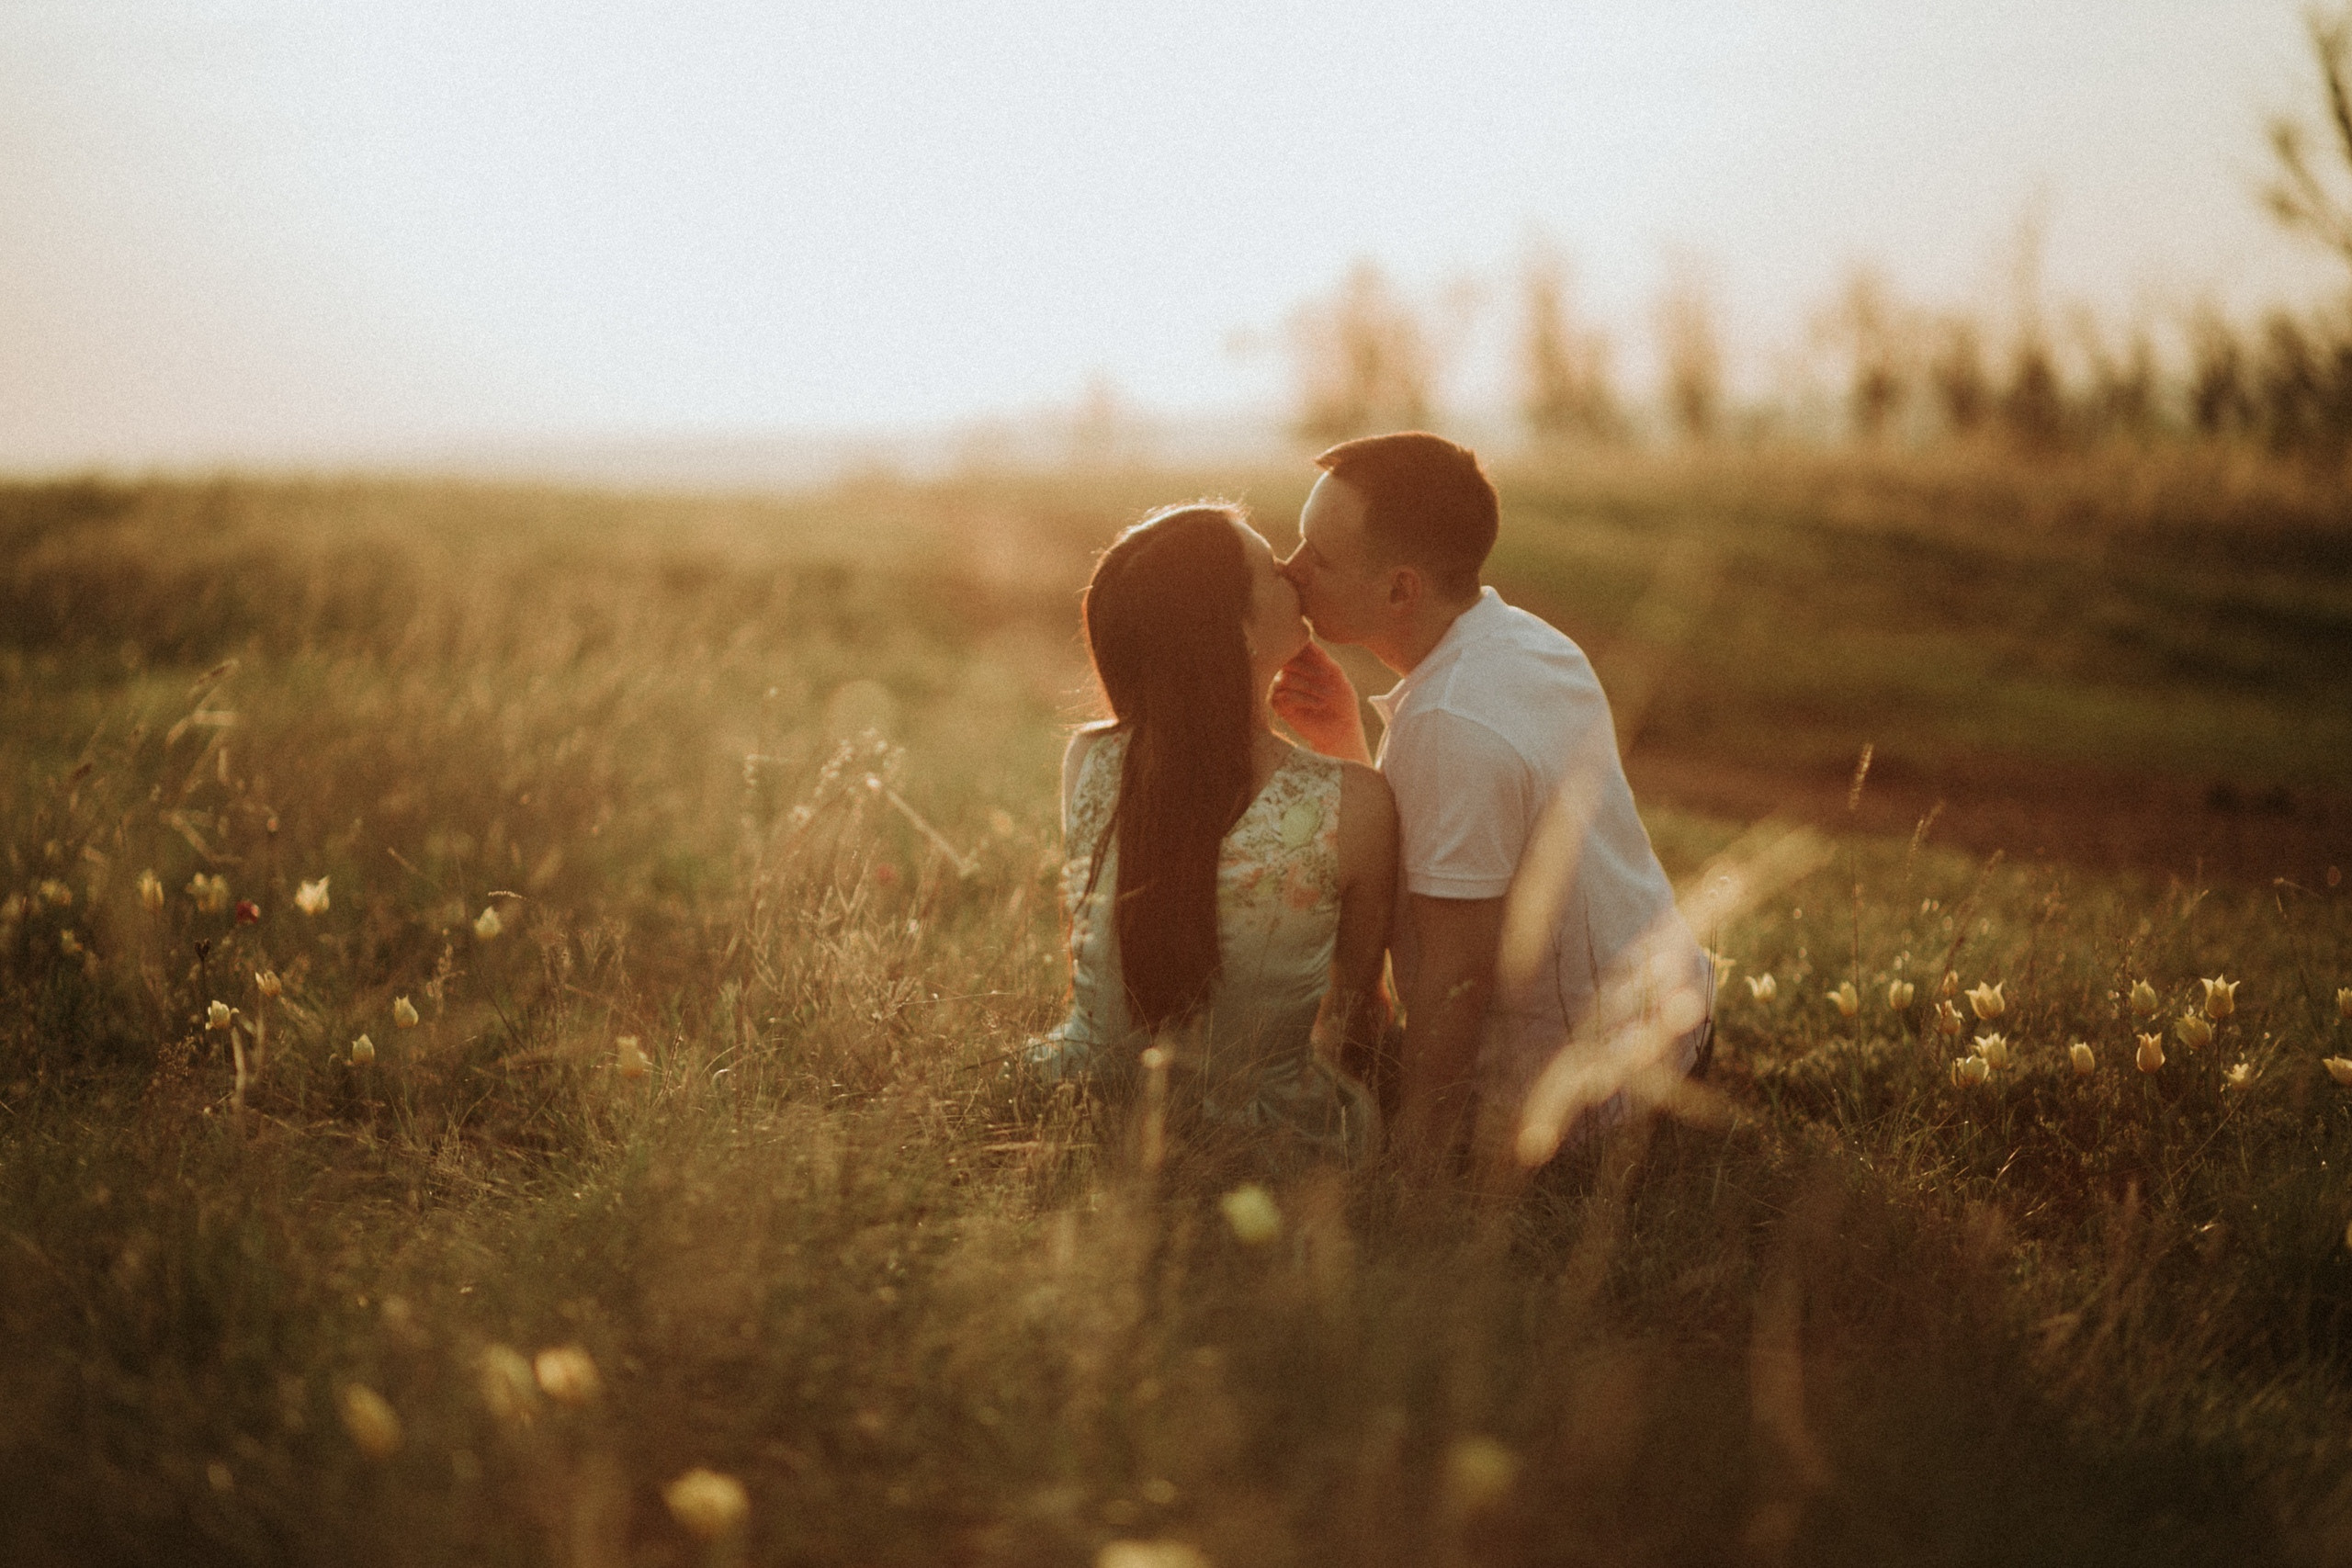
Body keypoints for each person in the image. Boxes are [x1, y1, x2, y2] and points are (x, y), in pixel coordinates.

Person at [1271, 433, 1712, 1180]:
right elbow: (1433, 833)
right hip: (1679, 1025)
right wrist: (1347, 735)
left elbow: (1454, 981)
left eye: (1320, 554)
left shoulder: (1453, 724)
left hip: (1591, 1097)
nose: (1291, 567)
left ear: (1401, 590)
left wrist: (1416, 1174)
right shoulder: (1522, 640)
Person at [1025, 503, 1397, 1170]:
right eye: (1269, 569)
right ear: (1240, 632)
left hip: (1088, 1093)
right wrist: (1347, 751)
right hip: (1265, 1137)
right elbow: (1356, 1015)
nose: (1291, 570)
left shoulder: (1089, 761)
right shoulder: (1358, 803)